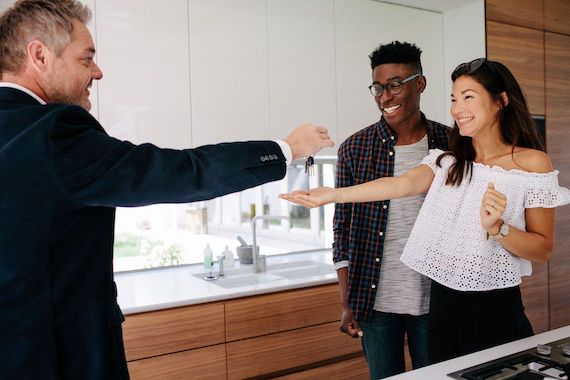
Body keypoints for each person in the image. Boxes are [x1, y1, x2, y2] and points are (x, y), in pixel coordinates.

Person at [0, 1, 334, 379]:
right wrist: (287, 148)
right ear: (40, 55)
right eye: (86, 58)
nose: (98, 71)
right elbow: (177, 171)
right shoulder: (52, 133)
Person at [281, 58, 570, 364]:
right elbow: (400, 185)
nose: (457, 109)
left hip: (496, 310)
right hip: (443, 311)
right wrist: (333, 195)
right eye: (454, 99)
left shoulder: (531, 163)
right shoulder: (448, 160)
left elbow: (542, 249)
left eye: (468, 97)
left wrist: (499, 228)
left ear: (500, 101)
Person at [331, 41, 448, 379]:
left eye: (395, 84)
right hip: (374, 301)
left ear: (419, 84)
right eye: (378, 87)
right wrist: (346, 300)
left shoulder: (451, 142)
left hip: (435, 300)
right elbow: (343, 229)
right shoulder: (354, 148)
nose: (385, 96)